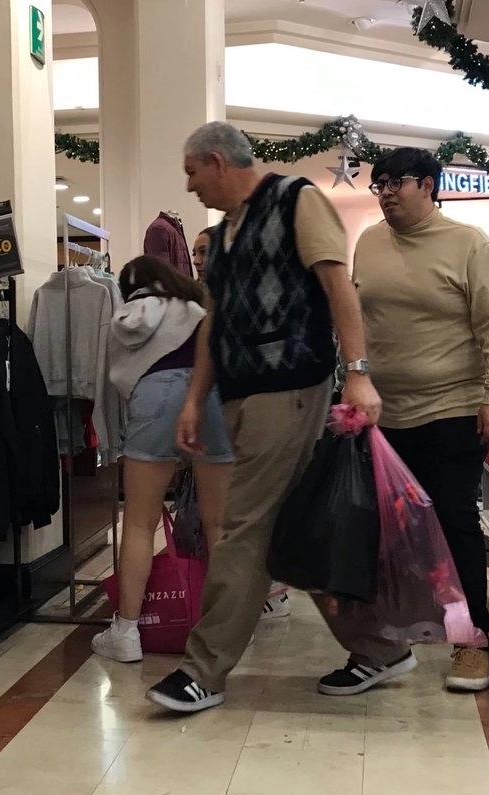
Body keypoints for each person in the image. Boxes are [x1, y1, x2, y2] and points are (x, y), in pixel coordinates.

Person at [146, 122, 382, 713]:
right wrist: (196, 401)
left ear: (219, 162)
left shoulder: (297, 201)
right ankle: (377, 648)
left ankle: (205, 669)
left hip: (292, 391)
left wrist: (357, 372)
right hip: (240, 397)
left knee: (243, 526)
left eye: (192, 172)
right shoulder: (223, 234)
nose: (190, 185)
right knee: (291, 528)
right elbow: (215, 325)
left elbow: (339, 290)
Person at [312, 147, 489, 697]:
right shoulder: (371, 242)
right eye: (378, 183)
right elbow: (357, 318)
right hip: (385, 413)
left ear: (429, 185)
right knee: (383, 533)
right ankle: (384, 648)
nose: (384, 191)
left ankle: (472, 640)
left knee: (452, 525)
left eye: (396, 181)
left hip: (452, 409)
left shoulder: (469, 244)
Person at [92, 256, 233, 663]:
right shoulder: (195, 307)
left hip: (153, 396)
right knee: (219, 524)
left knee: (139, 521)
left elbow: (117, 384)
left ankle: (127, 632)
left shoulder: (121, 319)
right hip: (209, 397)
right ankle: (222, 631)